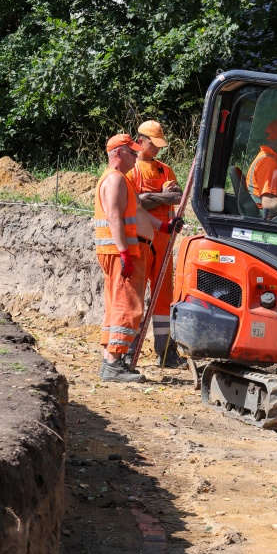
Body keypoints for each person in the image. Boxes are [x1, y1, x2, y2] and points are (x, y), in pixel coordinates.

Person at [95, 133, 180, 382]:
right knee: (127, 306)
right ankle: (114, 364)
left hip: (126, 250)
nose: (135, 156)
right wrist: (125, 252)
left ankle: (111, 359)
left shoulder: (121, 180)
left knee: (118, 304)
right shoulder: (115, 180)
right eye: (131, 152)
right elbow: (114, 217)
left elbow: (138, 211)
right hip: (124, 251)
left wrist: (164, 227)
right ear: (119, 153)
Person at [128, 120, 185, 368]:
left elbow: (177, 196)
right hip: (141, 241)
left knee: (164, 297)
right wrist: (158, 197)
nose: (158, 149)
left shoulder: (165, 170)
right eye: (154, 144)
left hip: (164, 240)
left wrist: (152, 197)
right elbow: (135, 203)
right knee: (136, 297)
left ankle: (165, 353)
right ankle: (129, 351)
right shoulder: (130, 170)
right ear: (140, 140)